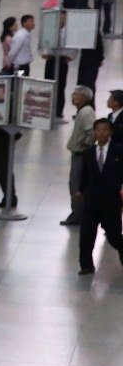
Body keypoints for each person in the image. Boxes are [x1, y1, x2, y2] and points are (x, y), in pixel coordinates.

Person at [75, 118, 123, 276]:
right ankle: (86, 265)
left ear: (110, 132)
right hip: (91, 200)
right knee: (86, 235)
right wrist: (80, 190)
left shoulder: (119, 151)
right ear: (94, 133)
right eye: (98, 130)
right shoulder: (88, 153)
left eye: (105, 130)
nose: (101, 133)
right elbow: (85, 175)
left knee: (114, 235)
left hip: (111, 201)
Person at [63, 85, 97, 226]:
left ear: (84, 97)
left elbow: (92, 132)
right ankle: (77, 214)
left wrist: (86, 146)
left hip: (81, 155)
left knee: (76, 185)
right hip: (77, 154)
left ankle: (78, 216)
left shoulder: (86, 112)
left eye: (76, 94)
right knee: (75, 185)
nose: (73, 96)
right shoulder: (82, 111)